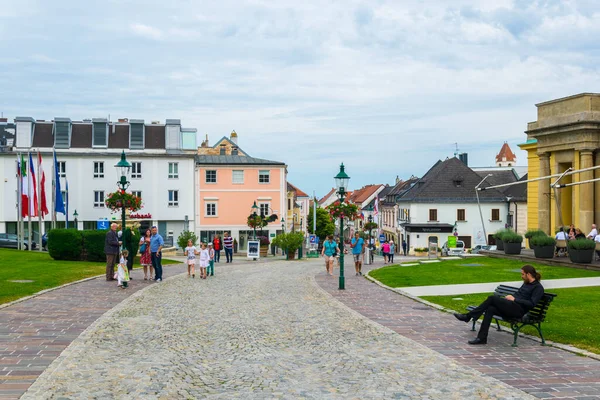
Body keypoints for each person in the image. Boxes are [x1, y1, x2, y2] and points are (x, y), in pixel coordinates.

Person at [454, 265, 544, 345]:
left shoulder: (538, 288)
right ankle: (482, 338)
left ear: (528, 274)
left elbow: (532, 304)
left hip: (518, 311)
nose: (522, 276)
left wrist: (515, 299)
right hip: (511, 307)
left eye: (523, 274)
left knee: (492, 298)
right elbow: (519, 294)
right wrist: (511, 297)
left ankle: (468, 316)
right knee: (490, 309)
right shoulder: (526, 284)